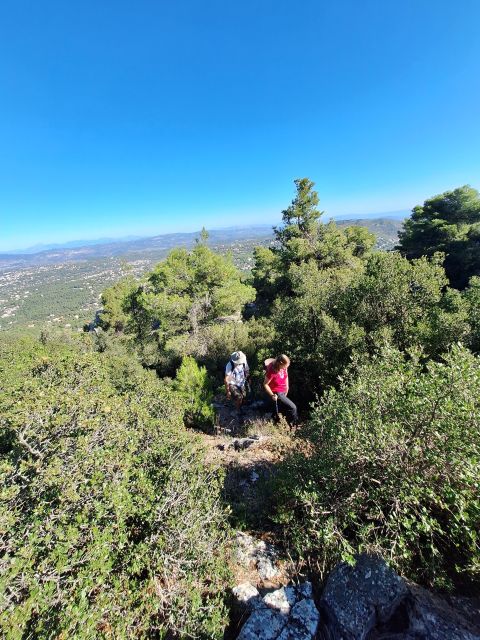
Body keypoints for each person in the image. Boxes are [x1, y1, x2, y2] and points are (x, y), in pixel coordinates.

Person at [263, 354, 297, 425]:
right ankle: (292, 426)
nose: (285, 368)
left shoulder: (284, 366)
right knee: (293, 408)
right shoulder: (271, 371)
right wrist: (272, 395)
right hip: (277, 392)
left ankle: (281, 424)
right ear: (280, 363)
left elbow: (286, 375)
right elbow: (265, 384)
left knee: (281, 410)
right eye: (285, 366)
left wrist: (287, 387)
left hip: (283, 390)